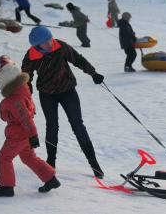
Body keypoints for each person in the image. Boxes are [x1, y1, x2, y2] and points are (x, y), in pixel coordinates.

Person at [21, 26, 105, 178]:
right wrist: (27, 98)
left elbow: (78, 59)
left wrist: (93, 73)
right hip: (47, 94)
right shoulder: (31, 56)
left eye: (50, 39)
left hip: (68, 90)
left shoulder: (60, 46)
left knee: (78, 125)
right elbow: (26, 78)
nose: (50, 43)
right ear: (37, 45)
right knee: (52, 126)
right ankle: (50, 163)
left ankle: (94, 164)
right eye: (45, 42)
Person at [0, 63, 60, 197]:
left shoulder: (15, 99)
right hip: (24, 135)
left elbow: (25, 118)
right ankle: (51, 179)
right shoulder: (22, 91)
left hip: (18, 135)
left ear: (7, 81)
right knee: (29, 158)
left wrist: (33, 135)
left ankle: (6, 187)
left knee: (4, 157)